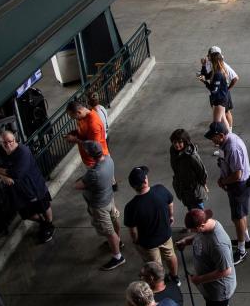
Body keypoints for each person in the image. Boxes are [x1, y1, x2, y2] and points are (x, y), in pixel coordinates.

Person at [177, 208, 237, 306]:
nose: (192, 232)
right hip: (213, 288)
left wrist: (199, 279)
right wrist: (187, 241)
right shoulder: (207, 227)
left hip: (218, 288)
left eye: (193, 230)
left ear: (201, 225)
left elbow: (226, 270)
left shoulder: (218, 243)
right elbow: (199, 237)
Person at [0, 130, 55, 243]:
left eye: (10, 141)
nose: (7, 144)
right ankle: (44, 223)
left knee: (43, 206)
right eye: (4, 142)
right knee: (25, 213)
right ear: (0, 142)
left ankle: (49, 224)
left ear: (15, 140)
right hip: (16, 190)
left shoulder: (23, 151)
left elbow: (16, 173)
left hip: (33, 185)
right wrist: (3, 176)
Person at [204, 121, 250, 263]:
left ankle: (242, 250)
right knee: (240, 215)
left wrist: (223, 181)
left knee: (237, 218)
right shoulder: (227, 142)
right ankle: (246, 240)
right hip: (237, 184)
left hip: (239, 186)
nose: (211, 140)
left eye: (213, 137)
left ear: (221, 135)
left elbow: (237, 174)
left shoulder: (232, 148)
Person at [73, 140, 124, 271]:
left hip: (99, 205)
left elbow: (77, 185)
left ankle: (118, 257)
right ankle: (119, 241)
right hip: (109, 198)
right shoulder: (108, 160)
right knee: (114, 220)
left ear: (90, 154)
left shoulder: (93, 173)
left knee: (108, 232)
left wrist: (85, 175)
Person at [124, 166, 179, 281]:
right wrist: (171, 216)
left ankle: (161, 283)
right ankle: (175, 278)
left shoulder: (131, 206)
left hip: (148, 243)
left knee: (155, 265)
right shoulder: (160, 190)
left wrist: (136, 240)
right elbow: (170, 203)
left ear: (133, 186)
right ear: (145, 181)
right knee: (170, 255)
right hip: (165, 235)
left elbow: (133, 230)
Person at [64, 99, 110, 170]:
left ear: (78, 112)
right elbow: (84, 132)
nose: (72, 118)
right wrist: (74, 132)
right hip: (89, 161)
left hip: (96, 163)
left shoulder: (93, 124)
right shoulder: (81, 118)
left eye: (72, 116)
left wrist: (74, 140)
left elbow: (94, 146)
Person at [199, 50, 233, 127]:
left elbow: (213, 90)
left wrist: (205, 82)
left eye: (210, 59)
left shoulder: (218, 73)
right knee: (223, 119)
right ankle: (229, 134)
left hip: (219, 100)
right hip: (220, 99)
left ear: (214, 61)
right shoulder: (216, 71)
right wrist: (203, 65)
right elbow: (206, 75)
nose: (208, 60)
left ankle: (227, 136)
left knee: (217, 122)